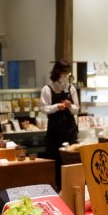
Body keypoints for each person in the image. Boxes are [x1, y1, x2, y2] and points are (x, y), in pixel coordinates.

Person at [40, 59, 79, 189]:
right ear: (57, 72)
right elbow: (43, 108)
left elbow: (76, 109)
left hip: (70, 129)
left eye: (67, 73)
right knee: (55, 159)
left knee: (71, 158)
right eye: (63, 73)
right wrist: (57, 107)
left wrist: (69, 106)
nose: (65, 76)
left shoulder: (71, 88)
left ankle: (72, 186)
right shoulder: (47, 89)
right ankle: (56, 187)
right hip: (55, 130)